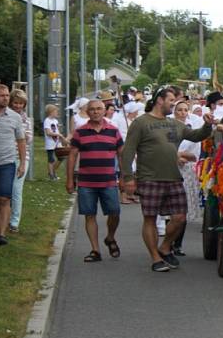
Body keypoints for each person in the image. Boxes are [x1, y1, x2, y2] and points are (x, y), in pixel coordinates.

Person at [121, 88, 214, 272]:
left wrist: (207, 126)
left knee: (179, 217)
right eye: (171, 100)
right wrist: (128, 177)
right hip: (149, 178)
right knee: (150, 218)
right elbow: (128, 151)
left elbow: (197, 136)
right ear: (159, 100)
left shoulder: (174, 124)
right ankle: (155, 258)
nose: (174, 103)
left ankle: (164, 247)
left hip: (173, 177)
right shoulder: (141, 123)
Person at [65, 99, 124, 262]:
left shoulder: (113, 131)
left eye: (99, 109)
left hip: (109, 181)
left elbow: (121, 155)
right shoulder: (80, 131)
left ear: (105, 111)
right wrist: (70, 179)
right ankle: (95, 250)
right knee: (89, 215)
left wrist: (125, 177)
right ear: (87, 111)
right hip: (86, 182)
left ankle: (110, 237)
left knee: (114, 212)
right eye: (92, 109)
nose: (96, 112)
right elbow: (72, 156)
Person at [0, 84, 26, 245]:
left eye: (7, 95)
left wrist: (22, 164)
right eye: (1, 95)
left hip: (7, 163)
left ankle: (1, 234)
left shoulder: (15, 117)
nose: (6, 98)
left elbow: (21, 140)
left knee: (4, 198)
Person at [171, 101, 202, 256]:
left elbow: (194, 153)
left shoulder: (191, 127)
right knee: (170, 208)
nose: (182, 113)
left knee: (183, 208)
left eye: (185, 110)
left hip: (187, 170)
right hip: (168, 167)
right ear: (174, 111)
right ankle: (168, 242)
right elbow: (163, 146)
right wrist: (175, 155)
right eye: (179, 110)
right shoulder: (167, 125)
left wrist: (180, 155)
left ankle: (178, 244)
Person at [7, 89, 32, 233]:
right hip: (5, 157)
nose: (18, 106)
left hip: (21, 158)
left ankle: (14, 222)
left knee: (16, 190)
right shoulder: (4, 117)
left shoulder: (26, 120)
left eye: (21, 103)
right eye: (15, 103)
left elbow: (27, 139)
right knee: (3, 191)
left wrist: (17, 137)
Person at [43, 104, 67, 180]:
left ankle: (53, 171)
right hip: (50, 143)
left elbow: (57, 130)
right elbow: (48, 132)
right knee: (51, 159)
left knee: (61, 157)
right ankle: (51, 175)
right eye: (56, 111)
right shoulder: (47, 121)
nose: (57, 113)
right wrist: (58, 135)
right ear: (51, 112)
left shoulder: (56, 121)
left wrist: (60, 138)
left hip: (57, 143)